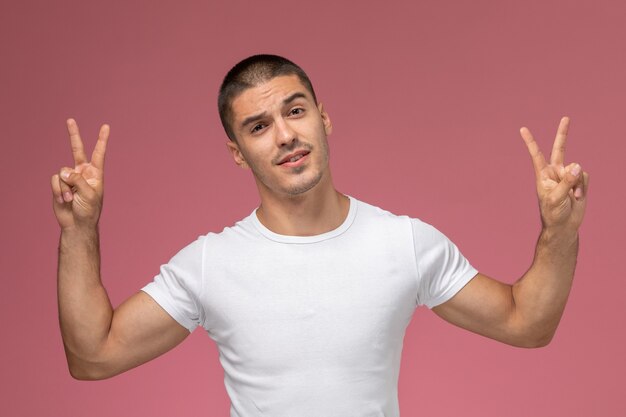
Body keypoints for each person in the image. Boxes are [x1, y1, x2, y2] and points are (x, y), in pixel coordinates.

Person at [51, 54, 589, 416]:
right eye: (259, 126)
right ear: (238, 153)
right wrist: (79, 230)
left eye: (295, 111)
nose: (286, 135)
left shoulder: (404, 243)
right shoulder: (210, 263)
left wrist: (559, 229)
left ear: (323, 118)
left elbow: (527, 324)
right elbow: (93, 356)